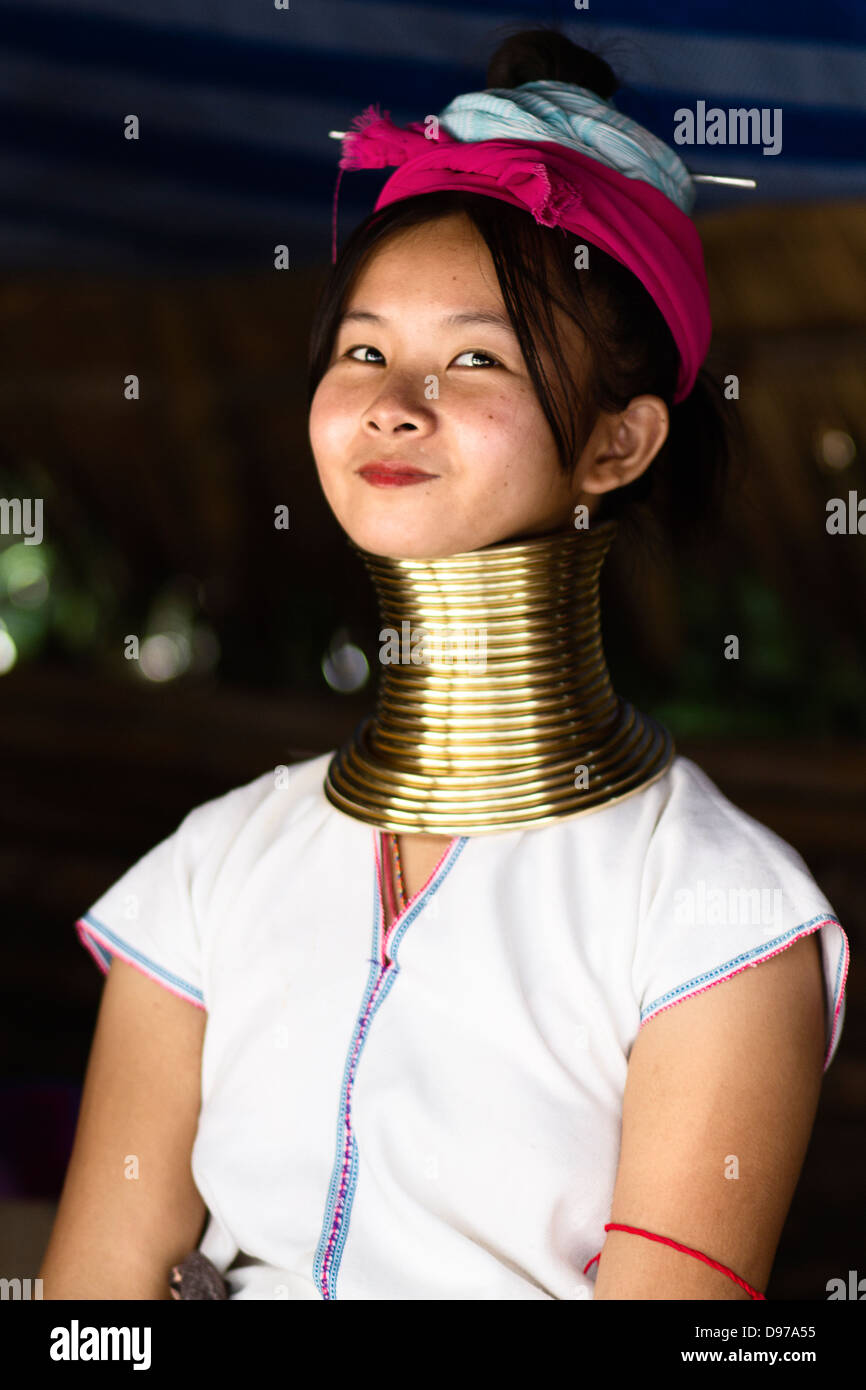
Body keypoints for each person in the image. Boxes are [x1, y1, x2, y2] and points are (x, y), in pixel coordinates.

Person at [39, 30, 848, 1302]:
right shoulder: (210, 871)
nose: (391, 398)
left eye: (474, 357)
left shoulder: (716, 918)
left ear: (617, 444)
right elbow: (93, 1317)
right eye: (360, 349)